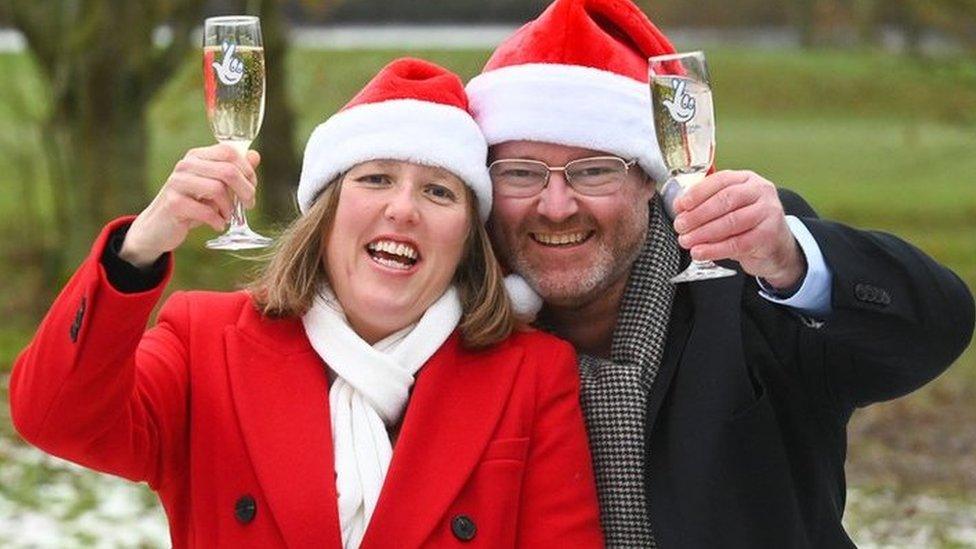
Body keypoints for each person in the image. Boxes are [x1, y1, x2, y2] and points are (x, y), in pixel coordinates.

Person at [9, 58, 604, 548]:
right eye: (374, 179)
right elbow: (56, 418)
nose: (403, 209)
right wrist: (138, 250)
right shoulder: (207, 340)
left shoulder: (530, 374)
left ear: (468, 240)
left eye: (439, 191)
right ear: (324, 216)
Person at [465, 0, 976, 547]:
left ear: (648, 178)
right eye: (522, 173)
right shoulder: (459, 323)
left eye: (594, 171)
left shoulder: (749, 282)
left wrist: (791, 260)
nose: (557, 205)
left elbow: (937, 328)